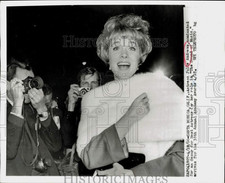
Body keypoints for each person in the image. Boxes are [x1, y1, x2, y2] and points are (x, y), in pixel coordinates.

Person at [76, 14, 184, 176]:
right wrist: (128, 118)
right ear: (107, 57)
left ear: (141, 57)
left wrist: (134, 174)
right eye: (116, 47)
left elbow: (186, 159)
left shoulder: (165, 89)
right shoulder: (93, 100)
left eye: (132, 48)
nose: (124, 54)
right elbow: (89, 158)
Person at [6, 57, 62, 175]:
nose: (30, 87)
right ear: (7, 84)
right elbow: (8, 151)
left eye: (32, 82)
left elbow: (56, 146)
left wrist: (42, 109)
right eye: (24, 82)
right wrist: (17, 104)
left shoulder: (31, 109)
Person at [61, 67, 101, 150]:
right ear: (79, 87)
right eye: (85, 83)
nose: (90, 87)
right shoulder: (75, 109)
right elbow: (68, 141)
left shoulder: (107, 106)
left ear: (99, 85)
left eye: (94, 82)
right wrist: (71, 104)